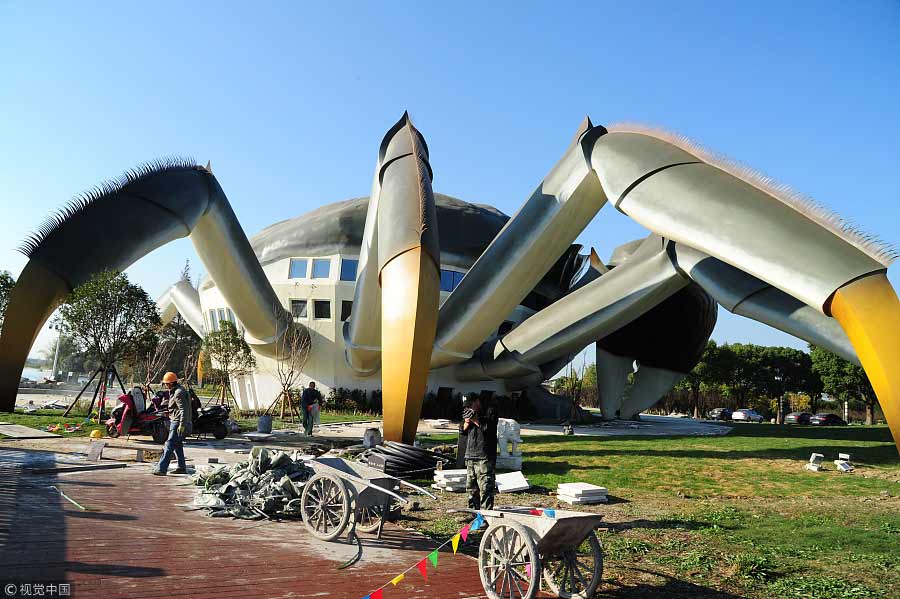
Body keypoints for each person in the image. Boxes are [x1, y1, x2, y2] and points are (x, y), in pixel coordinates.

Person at [153, 372, 192, 475]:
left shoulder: (178, 393)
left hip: (178, 423)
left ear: (170, 383)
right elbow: (178, 409)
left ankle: (161, 469)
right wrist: (169, 412)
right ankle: (181, 467)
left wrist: (182, 425)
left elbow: (184, 410)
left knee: (169, 445)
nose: (165, 385)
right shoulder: (177, 390)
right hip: (177, 420)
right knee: (178, 445)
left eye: (166, 383)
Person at [462, 394, 498, 510]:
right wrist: (467, 422)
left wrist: (475, 420)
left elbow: (488, 429)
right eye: (466, 406)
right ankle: (473, 513)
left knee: (485, 488)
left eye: (470, 405)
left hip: (484, 455)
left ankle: (486, 515)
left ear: (477, 401)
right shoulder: (468, 412)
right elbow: (462, 431)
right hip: (470, 455)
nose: (469, 408)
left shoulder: (490, 412)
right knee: (471, 488)